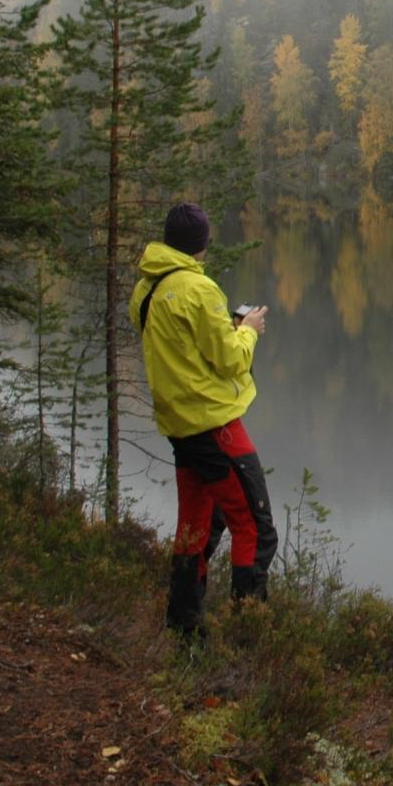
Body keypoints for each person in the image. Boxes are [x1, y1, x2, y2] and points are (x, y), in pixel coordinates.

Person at [129, 202, 275, 635]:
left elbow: (182, 351)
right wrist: (247, 330)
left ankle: (183, 627)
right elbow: (230, 362)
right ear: (202, 245)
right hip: (215, 427)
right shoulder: (199, 289)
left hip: (180, 429)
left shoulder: (147, 290)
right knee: (255, 527)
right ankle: (247, 637)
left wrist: (226, 329)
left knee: (196, 525)